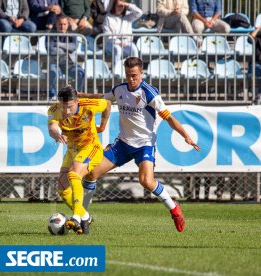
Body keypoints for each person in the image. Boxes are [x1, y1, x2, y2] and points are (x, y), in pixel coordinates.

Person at [77, 57, 200, 232]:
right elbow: (102, 99)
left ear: (141, 73)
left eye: (134, 75)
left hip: (144, 145)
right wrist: (81, 96)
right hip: (123, 144)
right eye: (128, 75)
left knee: (146, 181)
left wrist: (186, 136)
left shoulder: (149, 93)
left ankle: (174, 209)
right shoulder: (119, 89)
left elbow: (169, 118)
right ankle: (83, 216)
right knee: (91, 174)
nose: (131, 79)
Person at [48, 85, 111, 234]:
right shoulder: (54, 110)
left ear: (77, 101)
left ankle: (76, 217)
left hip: (91, 147)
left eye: (69, 107)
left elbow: (107, 103)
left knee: (74, 173)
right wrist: (56, 133)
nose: (67, 111)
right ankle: (85, 215)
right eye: (64, 107)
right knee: (62, 189)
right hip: (72, 150)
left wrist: (102, 126)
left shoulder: (89, 105)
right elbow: (51, 127)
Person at [47, 15, 85, 100]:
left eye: (64, 24)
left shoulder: (72, 34)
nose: (62, 26)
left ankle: (77, 95)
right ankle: (53, 96)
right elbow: (51, 49)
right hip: (55, 62)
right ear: (56, 24)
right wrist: (67, 49)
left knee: (81, 73)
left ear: (68, 25)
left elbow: (74, 47)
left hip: (69, 63)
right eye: (60, 24)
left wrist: (58, 44)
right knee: (53, 72)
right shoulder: (50, 34)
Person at [103, 0, 142, 66]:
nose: (120, 8)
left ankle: (134, 69)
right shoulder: (108, 18)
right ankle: (115, 71)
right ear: (114, 6)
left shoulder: (128, 16)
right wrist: (118, 42)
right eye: (118, 6)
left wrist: (127, 4)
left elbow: (139, 12)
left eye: (122, 6)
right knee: (118, 50)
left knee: (134, 49)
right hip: (111, 43)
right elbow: (108, 34)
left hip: (126, 42)